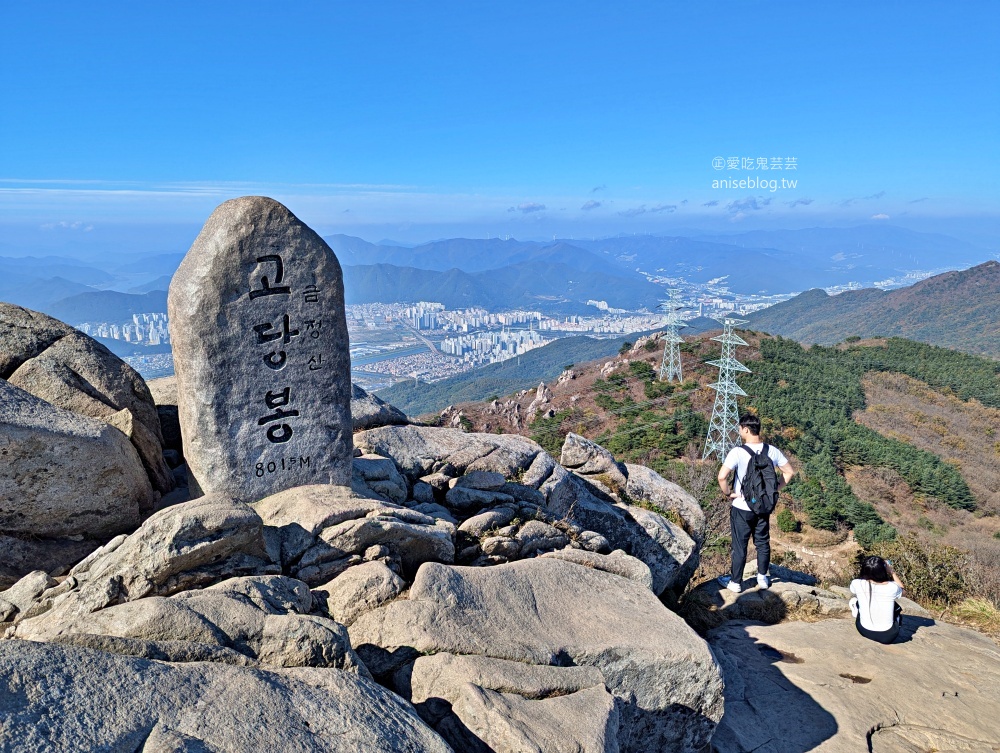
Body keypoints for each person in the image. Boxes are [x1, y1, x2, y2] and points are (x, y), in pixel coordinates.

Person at [716, 413, 795, 593]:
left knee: (740, 545)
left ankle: (735, 582)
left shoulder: (737, 452)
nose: (739, 431)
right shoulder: (772, 450)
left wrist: (730, 493)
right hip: (763, 506)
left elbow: (722, 477)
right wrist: (773, 489)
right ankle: (763, 578)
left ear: (745, 429)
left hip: (742, 507)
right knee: (762, 542)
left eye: (740, 428)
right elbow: (789, 472)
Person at [849, 555, 905, 644]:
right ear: (883, 570)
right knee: (896, 607)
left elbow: (858, 585)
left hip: (863, 630)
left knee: (857, 601)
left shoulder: (856, 583)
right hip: (888, 636)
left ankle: (857, 611)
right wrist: (892, 572)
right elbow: (903, 590)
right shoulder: (892, 587)